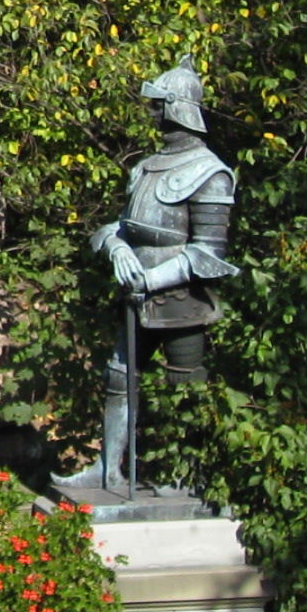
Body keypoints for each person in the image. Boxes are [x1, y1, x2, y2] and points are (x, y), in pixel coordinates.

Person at [86, 58, 238, 489]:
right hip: (133, 292)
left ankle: (188, 477)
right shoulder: (146, 165)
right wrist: (116, 248)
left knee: (185, 387)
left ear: (176, 108)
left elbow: (208, 254)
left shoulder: (210, 172)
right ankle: (108, 470)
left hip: (179, 300)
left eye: (157, 106)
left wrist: (151, 279)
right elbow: (118, 224)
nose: (151, 114)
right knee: (118, 376)